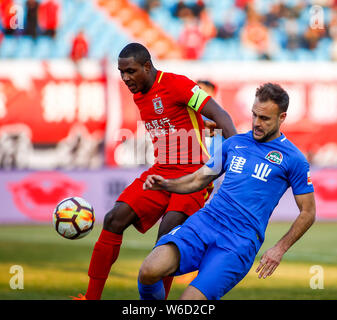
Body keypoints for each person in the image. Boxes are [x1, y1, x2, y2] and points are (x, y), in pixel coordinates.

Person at [72, 43, 237, 300]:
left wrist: (237, 154)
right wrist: (205, 126)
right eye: (121, 72)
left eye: (131, 71)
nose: (125, 78)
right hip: (161, 171)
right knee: (114, 218)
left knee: (167, 237)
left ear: (147, 66)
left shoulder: (177, 84)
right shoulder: (140, 93)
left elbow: (221, 114)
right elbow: (180, 118)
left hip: (193, 174)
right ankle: (91, 298)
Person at [138, 83, 316, 300]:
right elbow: (199, 178)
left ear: (282, 118)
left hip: (238, 242)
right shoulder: (235, 143)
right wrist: (165, 184)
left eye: (265, 118)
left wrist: (279, 248)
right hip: (205, 222)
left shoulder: (293, 159)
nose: (256, 123)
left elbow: (308, 212)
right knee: (148, 270)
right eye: (254, 115)